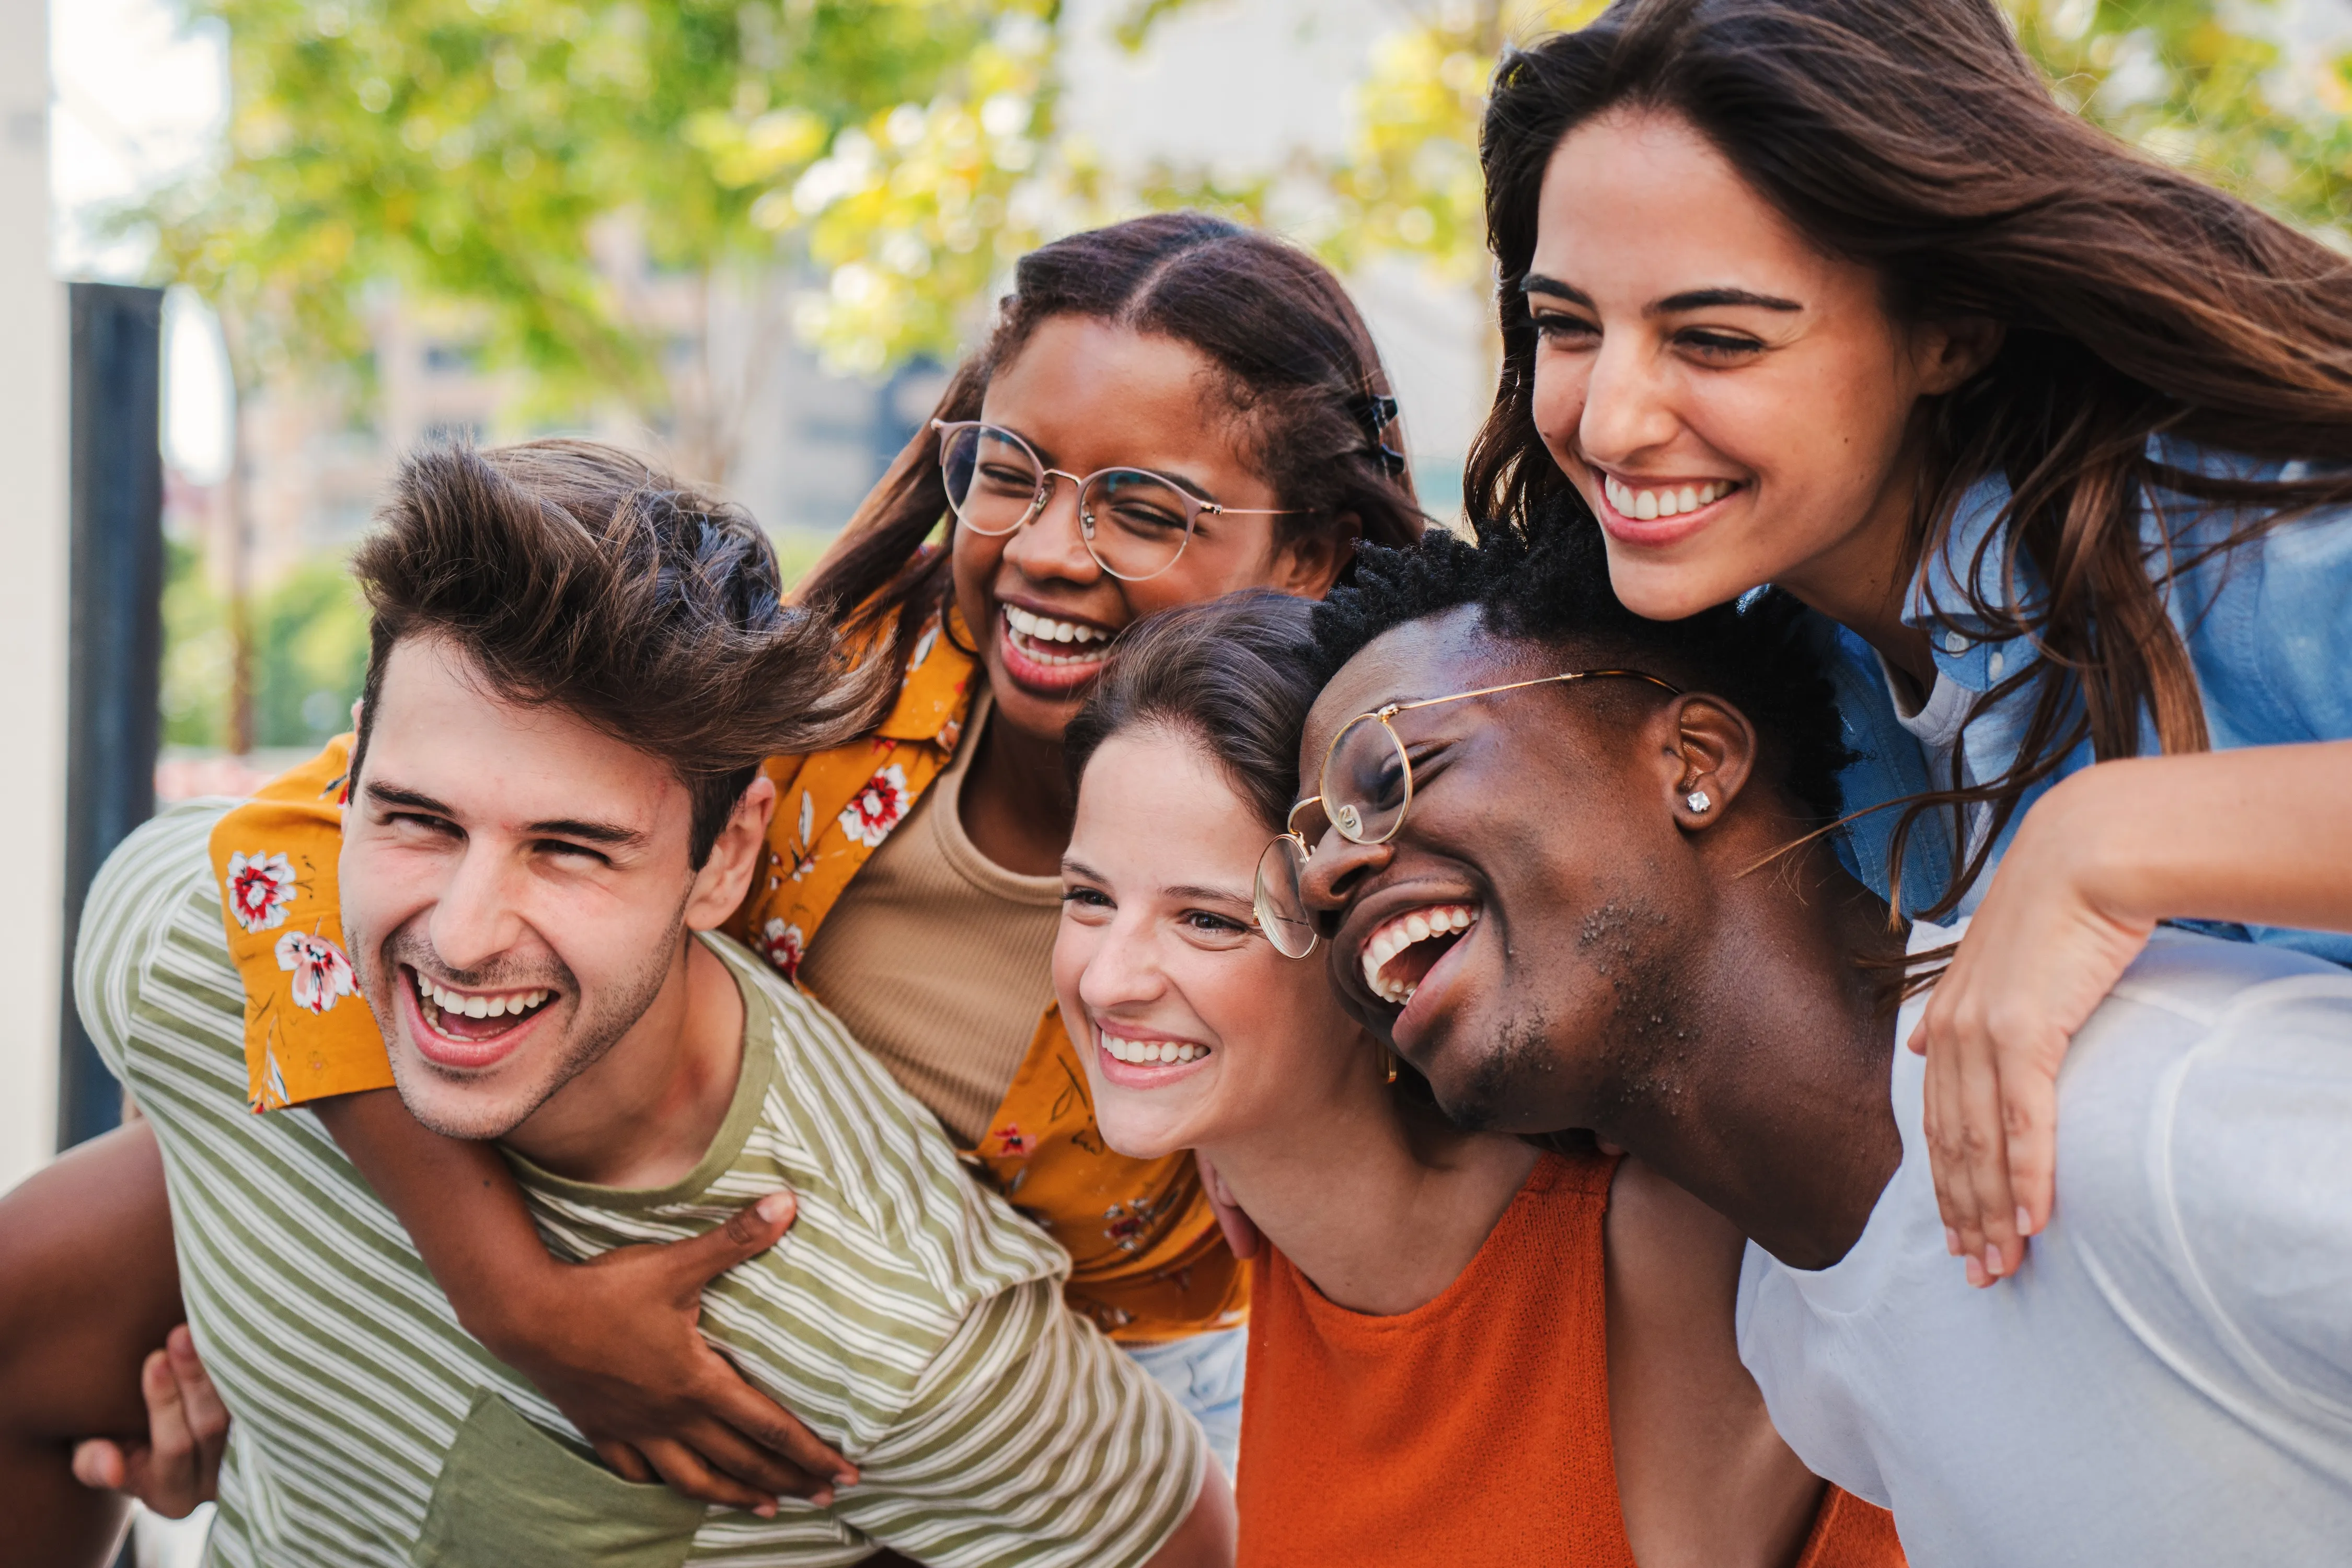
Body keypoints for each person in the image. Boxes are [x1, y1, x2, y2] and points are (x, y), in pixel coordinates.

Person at [190, 209, 1425, 1488]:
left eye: (1146, 510)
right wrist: (513, 1307)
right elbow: (294, 841)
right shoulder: (833, 696)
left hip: (1100, 1408)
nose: (1050, 551)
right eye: (1009, 475)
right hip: (676, 1311)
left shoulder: (1365, 859)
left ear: (1312, 553)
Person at [4, 439, 1232, 1567]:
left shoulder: (896, 1336)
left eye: (572, 851)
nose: (465, 937)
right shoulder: (186, 936)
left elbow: (1178, 1544)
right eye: (417, 820)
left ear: (726, 858)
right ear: (354, 765)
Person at [1471, 0, 2352, 1284]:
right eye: (1567, 326)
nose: (1610, 419)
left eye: (1716, 340)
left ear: (1950, 329)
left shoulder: (2254, 529)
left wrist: (2109, 842)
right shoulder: (1766, 697)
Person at [1288, 506, 2352, 1565]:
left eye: (1391, 776)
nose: (1328, 875)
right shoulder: (1792, 1342)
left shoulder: (2150, 1109)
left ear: (1695, 757)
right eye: (1299, 875)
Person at [1046, 592, 1904, 1567]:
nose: (1108, 980)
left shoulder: (1678, 1240)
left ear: (1364, 940)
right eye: (1087, 897)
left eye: (1208, 920)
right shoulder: (1270, 1236)